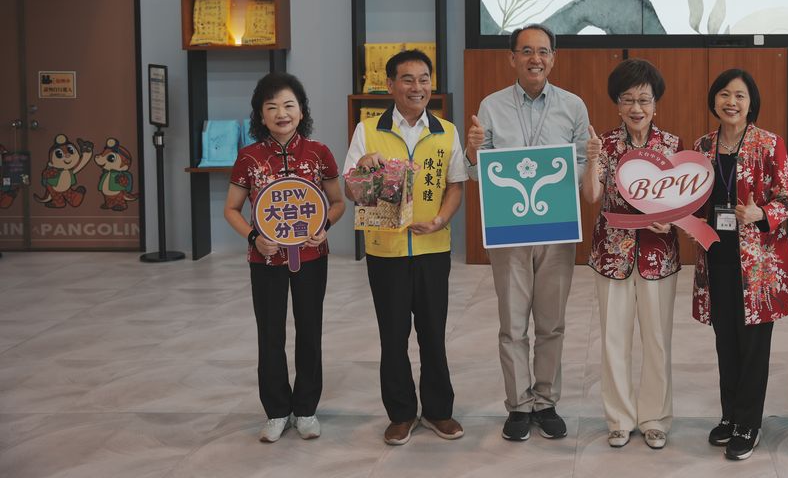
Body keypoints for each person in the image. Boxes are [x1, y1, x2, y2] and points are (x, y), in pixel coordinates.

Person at [465, 24, 593, 442]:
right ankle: (519, 406)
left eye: (543, 51)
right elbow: (477, 171)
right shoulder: (491, 106)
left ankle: (546, 400)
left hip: (556, 228)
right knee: (513, 323)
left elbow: (578, 164)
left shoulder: (574, 106)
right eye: (526, 51)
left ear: (553, 58)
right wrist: (472, 152)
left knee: (551, 323)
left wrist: (552, 180)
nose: (535, 58)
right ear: (512, 58)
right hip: (509, 230)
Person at [343, 49, 468, 446]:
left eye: (424, 79)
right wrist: (363, 167)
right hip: (386, 251)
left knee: (433, 333)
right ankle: (400, 413)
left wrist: (441, 220)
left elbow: (455, 185)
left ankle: (438, 411)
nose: (418, 87)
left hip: (433, 248)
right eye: (408, 79)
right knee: (393, 335)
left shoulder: (446, 130)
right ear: (391, 84)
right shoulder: (367, 130)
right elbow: (350, 188)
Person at [223, 72, 346, 443]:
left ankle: (306, 409)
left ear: (301, 110)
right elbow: (231, 209)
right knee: (270, 334)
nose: (281, 113)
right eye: (272, 106)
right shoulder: (249, 157)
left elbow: (337, 202)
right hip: (266, 261)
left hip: (312, 257)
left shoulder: (319, 153)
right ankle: (276, 411)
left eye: (289, 105)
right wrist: (255, 237)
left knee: (310, 330)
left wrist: (325, 225)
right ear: (260, 115)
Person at [692, 68, 788, 461]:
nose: (731, 102)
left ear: (751, 103)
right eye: (723, 94)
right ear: (714, 101)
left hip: (758, 265)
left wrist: (759, 213)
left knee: (753, 345)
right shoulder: (702, 146)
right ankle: (730, 415)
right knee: (726, 340)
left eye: (739, 95)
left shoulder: (770, 144)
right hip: (716, 256)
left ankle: (749, 422)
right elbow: (693, 201)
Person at [580, 59, 680, 450]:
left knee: (657, 339)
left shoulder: (672, 145)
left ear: (656, 104)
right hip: (612, 255)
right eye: (628, 100)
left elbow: (683, 202)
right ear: (617, 104)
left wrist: (671, 222)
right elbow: (591, 196)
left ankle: (655, 417)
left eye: (644, 99)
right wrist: (590, 160)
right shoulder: (603, 144)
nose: (636, 108)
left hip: (659, 255)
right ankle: (619, 418)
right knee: (614, 339)